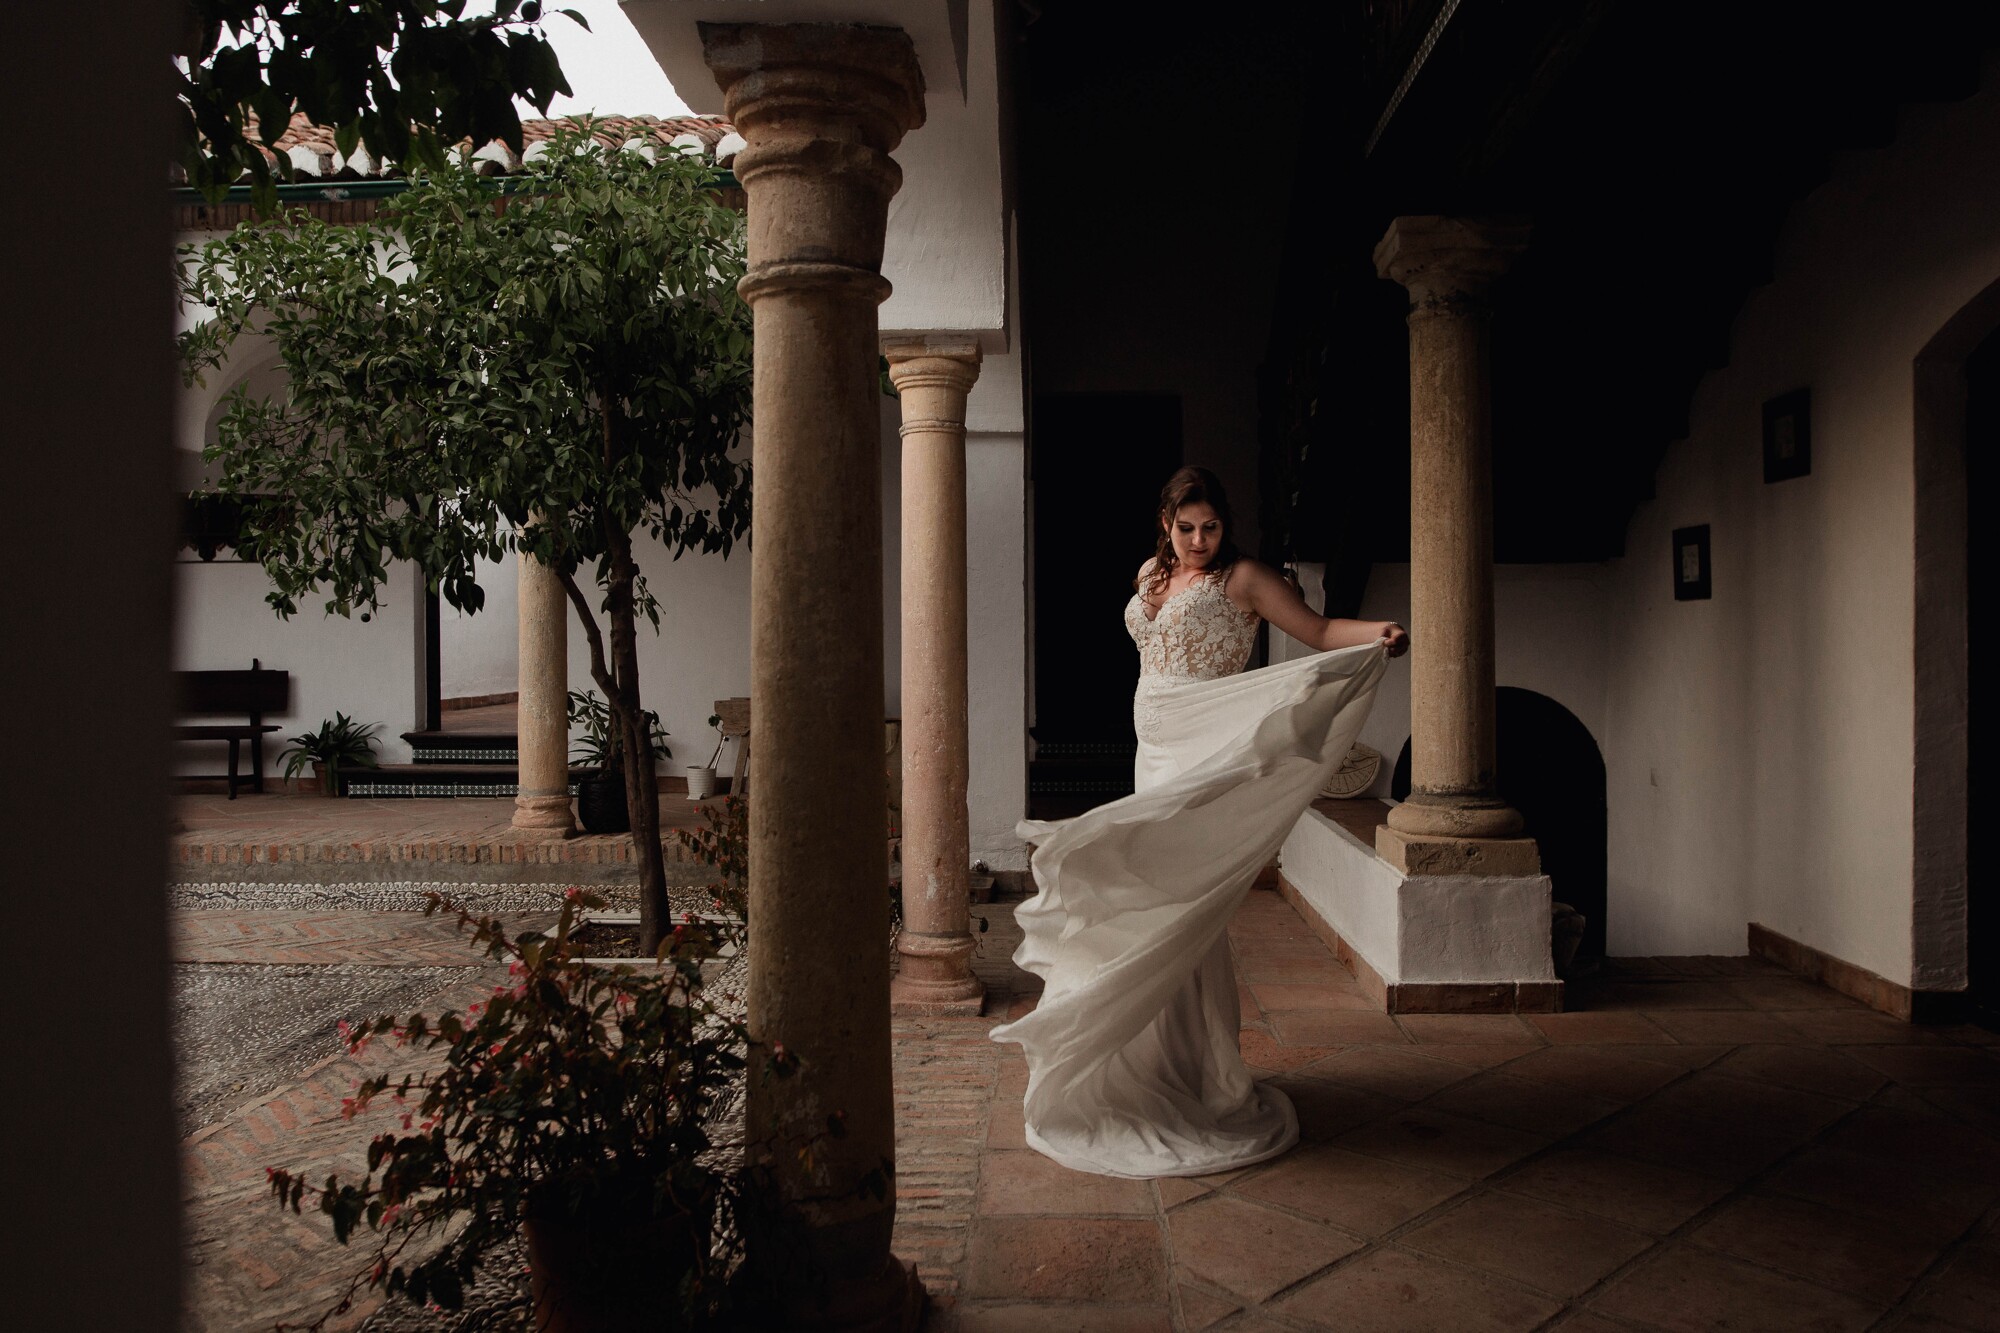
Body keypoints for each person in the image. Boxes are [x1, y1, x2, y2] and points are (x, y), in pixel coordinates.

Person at [991, 466, 1407, 1178]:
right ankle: (1147, 1058)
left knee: (1179, 897)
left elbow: (1316, 630)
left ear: (1225, 525)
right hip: (1151, 750)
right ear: (1166, 522)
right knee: (1147, 890)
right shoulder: (1151, 573)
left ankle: (1194, 1072)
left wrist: (1377, 632)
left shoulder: (1244, 578)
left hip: (1201, 748)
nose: (1198, 540)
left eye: (1210, 527)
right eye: (1186, 527)